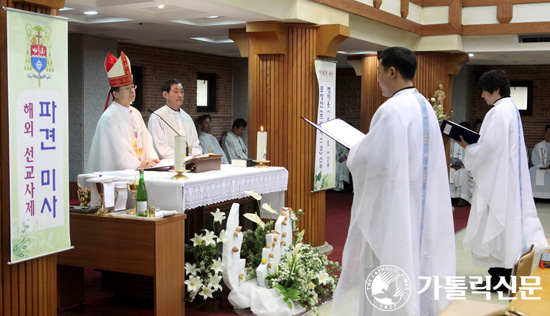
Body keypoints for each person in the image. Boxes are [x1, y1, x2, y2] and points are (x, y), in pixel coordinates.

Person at [332, 47, 455, 315]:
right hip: (421, 206)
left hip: (395, 209)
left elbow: (371, 162)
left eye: (378, 72)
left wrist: (355, 150)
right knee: (419, 262)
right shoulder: (424, 105)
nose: (377, 79)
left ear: (392, 71)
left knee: (390, 267)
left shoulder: (391, 110)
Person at [457, 69, 548, 292]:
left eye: (484, 91)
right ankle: (500, 277)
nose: (482, 96)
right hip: (505, 179)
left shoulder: (498, 113)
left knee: (496, 227)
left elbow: (489, 149)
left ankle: (500, 279)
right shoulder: (510, 109)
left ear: (496, 89)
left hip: (498, 181)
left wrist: (469, 148)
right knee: (503, 228)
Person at [87, 51, 159, 172]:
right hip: (120, 175)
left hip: (141, 170)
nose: (132, 91)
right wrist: (138, 164)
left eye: (132, 87)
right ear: (115, 94)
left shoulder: (135, 112)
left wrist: (152, 158)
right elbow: (117, 152)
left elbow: (146, 140)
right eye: (127, 88)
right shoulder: (109, 117)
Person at [148, 79, 202, 159]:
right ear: (165, 94)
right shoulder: (157, 117)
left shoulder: (187, 117)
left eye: (182, 91)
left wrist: (194, 156)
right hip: (168, 165)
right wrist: (183, 157)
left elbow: (195, 144)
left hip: (190, 163)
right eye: (176, 91)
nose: (180, 95)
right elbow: (159, 147)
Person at [449, 121, 473, 206]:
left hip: (465, 168)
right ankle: (451, 196)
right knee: (450, 171)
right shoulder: (453, 142)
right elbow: (450, 155)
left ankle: (463, 198)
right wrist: (452, 164)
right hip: (454, 166)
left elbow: (471, 157)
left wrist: (463, 166)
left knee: (463, 173)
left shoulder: (470, 143)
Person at [529, 125, 550, 199]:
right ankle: (536, 195)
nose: (548, 135)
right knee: (532, 171)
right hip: (541, 167)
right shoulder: (538, 146)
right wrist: (542, 166)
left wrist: (548, 167)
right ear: (544, 133)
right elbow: (534, 159)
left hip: (549, 168)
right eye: (547, 133)